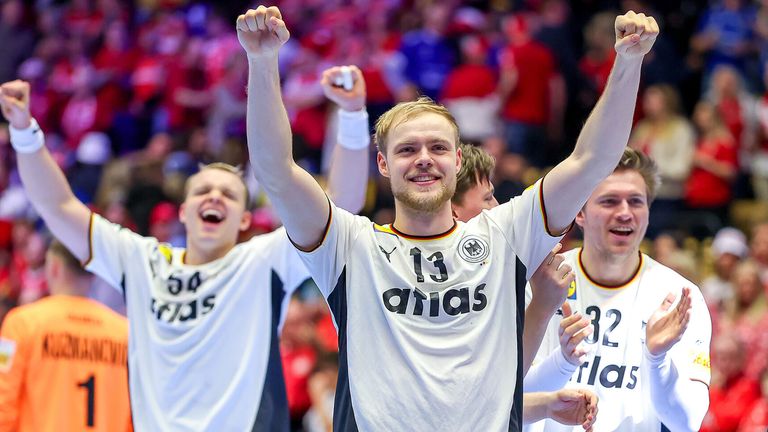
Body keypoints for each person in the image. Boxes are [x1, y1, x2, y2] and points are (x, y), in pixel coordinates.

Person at [239, 5, 657, 430]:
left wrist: (627, 61)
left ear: (458, 160)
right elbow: (277, 172)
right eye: (407, 150)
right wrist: (262, 61)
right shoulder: (350, 246)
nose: (424, 159)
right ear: (382, 164)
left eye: (437, 148)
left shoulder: (505, 235)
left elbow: (592, 159)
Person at [0, 67, 369, 429]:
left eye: (228, 194)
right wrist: (23, 131)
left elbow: (341, 206)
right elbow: (58, 206)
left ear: (244, 219)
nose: (214, 197)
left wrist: (352, 117)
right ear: (184, 210)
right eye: (203, 191)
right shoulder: (141, 261)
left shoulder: (263, 259)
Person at [523, 148, 712, 431]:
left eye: (636, 202)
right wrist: (562, 361)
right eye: (609, 201)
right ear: (580, 213)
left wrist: (657, 360)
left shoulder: (679, 295)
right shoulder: (540, 283)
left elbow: (687, 423)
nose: (625, 213)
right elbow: (512, 398)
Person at [450, 142, 596, 431]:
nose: (498, 207)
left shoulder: (521, 269)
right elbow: (488, 401)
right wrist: (562, 358)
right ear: (454, 212)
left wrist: (550, 400)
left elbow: (510, 397)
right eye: (488, 198)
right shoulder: (451, 293)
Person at [0, 239, 131, 432]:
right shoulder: (125, 333)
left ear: (54, 267)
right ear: (93, 274)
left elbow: (4, 398)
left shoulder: (21, 324)